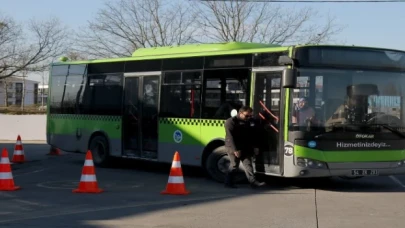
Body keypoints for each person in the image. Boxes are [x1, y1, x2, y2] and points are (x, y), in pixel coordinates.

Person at [224, 105, 266, 189]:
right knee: (234, 165)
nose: (248, 117)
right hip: (233, 146)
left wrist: (255, 147)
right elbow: (230, 137)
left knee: (248, 164)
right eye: (247, 115)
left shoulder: (249, 121)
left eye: (250, 116)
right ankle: (228, 182)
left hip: (245, 146)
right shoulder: (230, 122)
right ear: (240, 113)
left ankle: (253, 182)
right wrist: (235, 150)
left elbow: (252, 135)